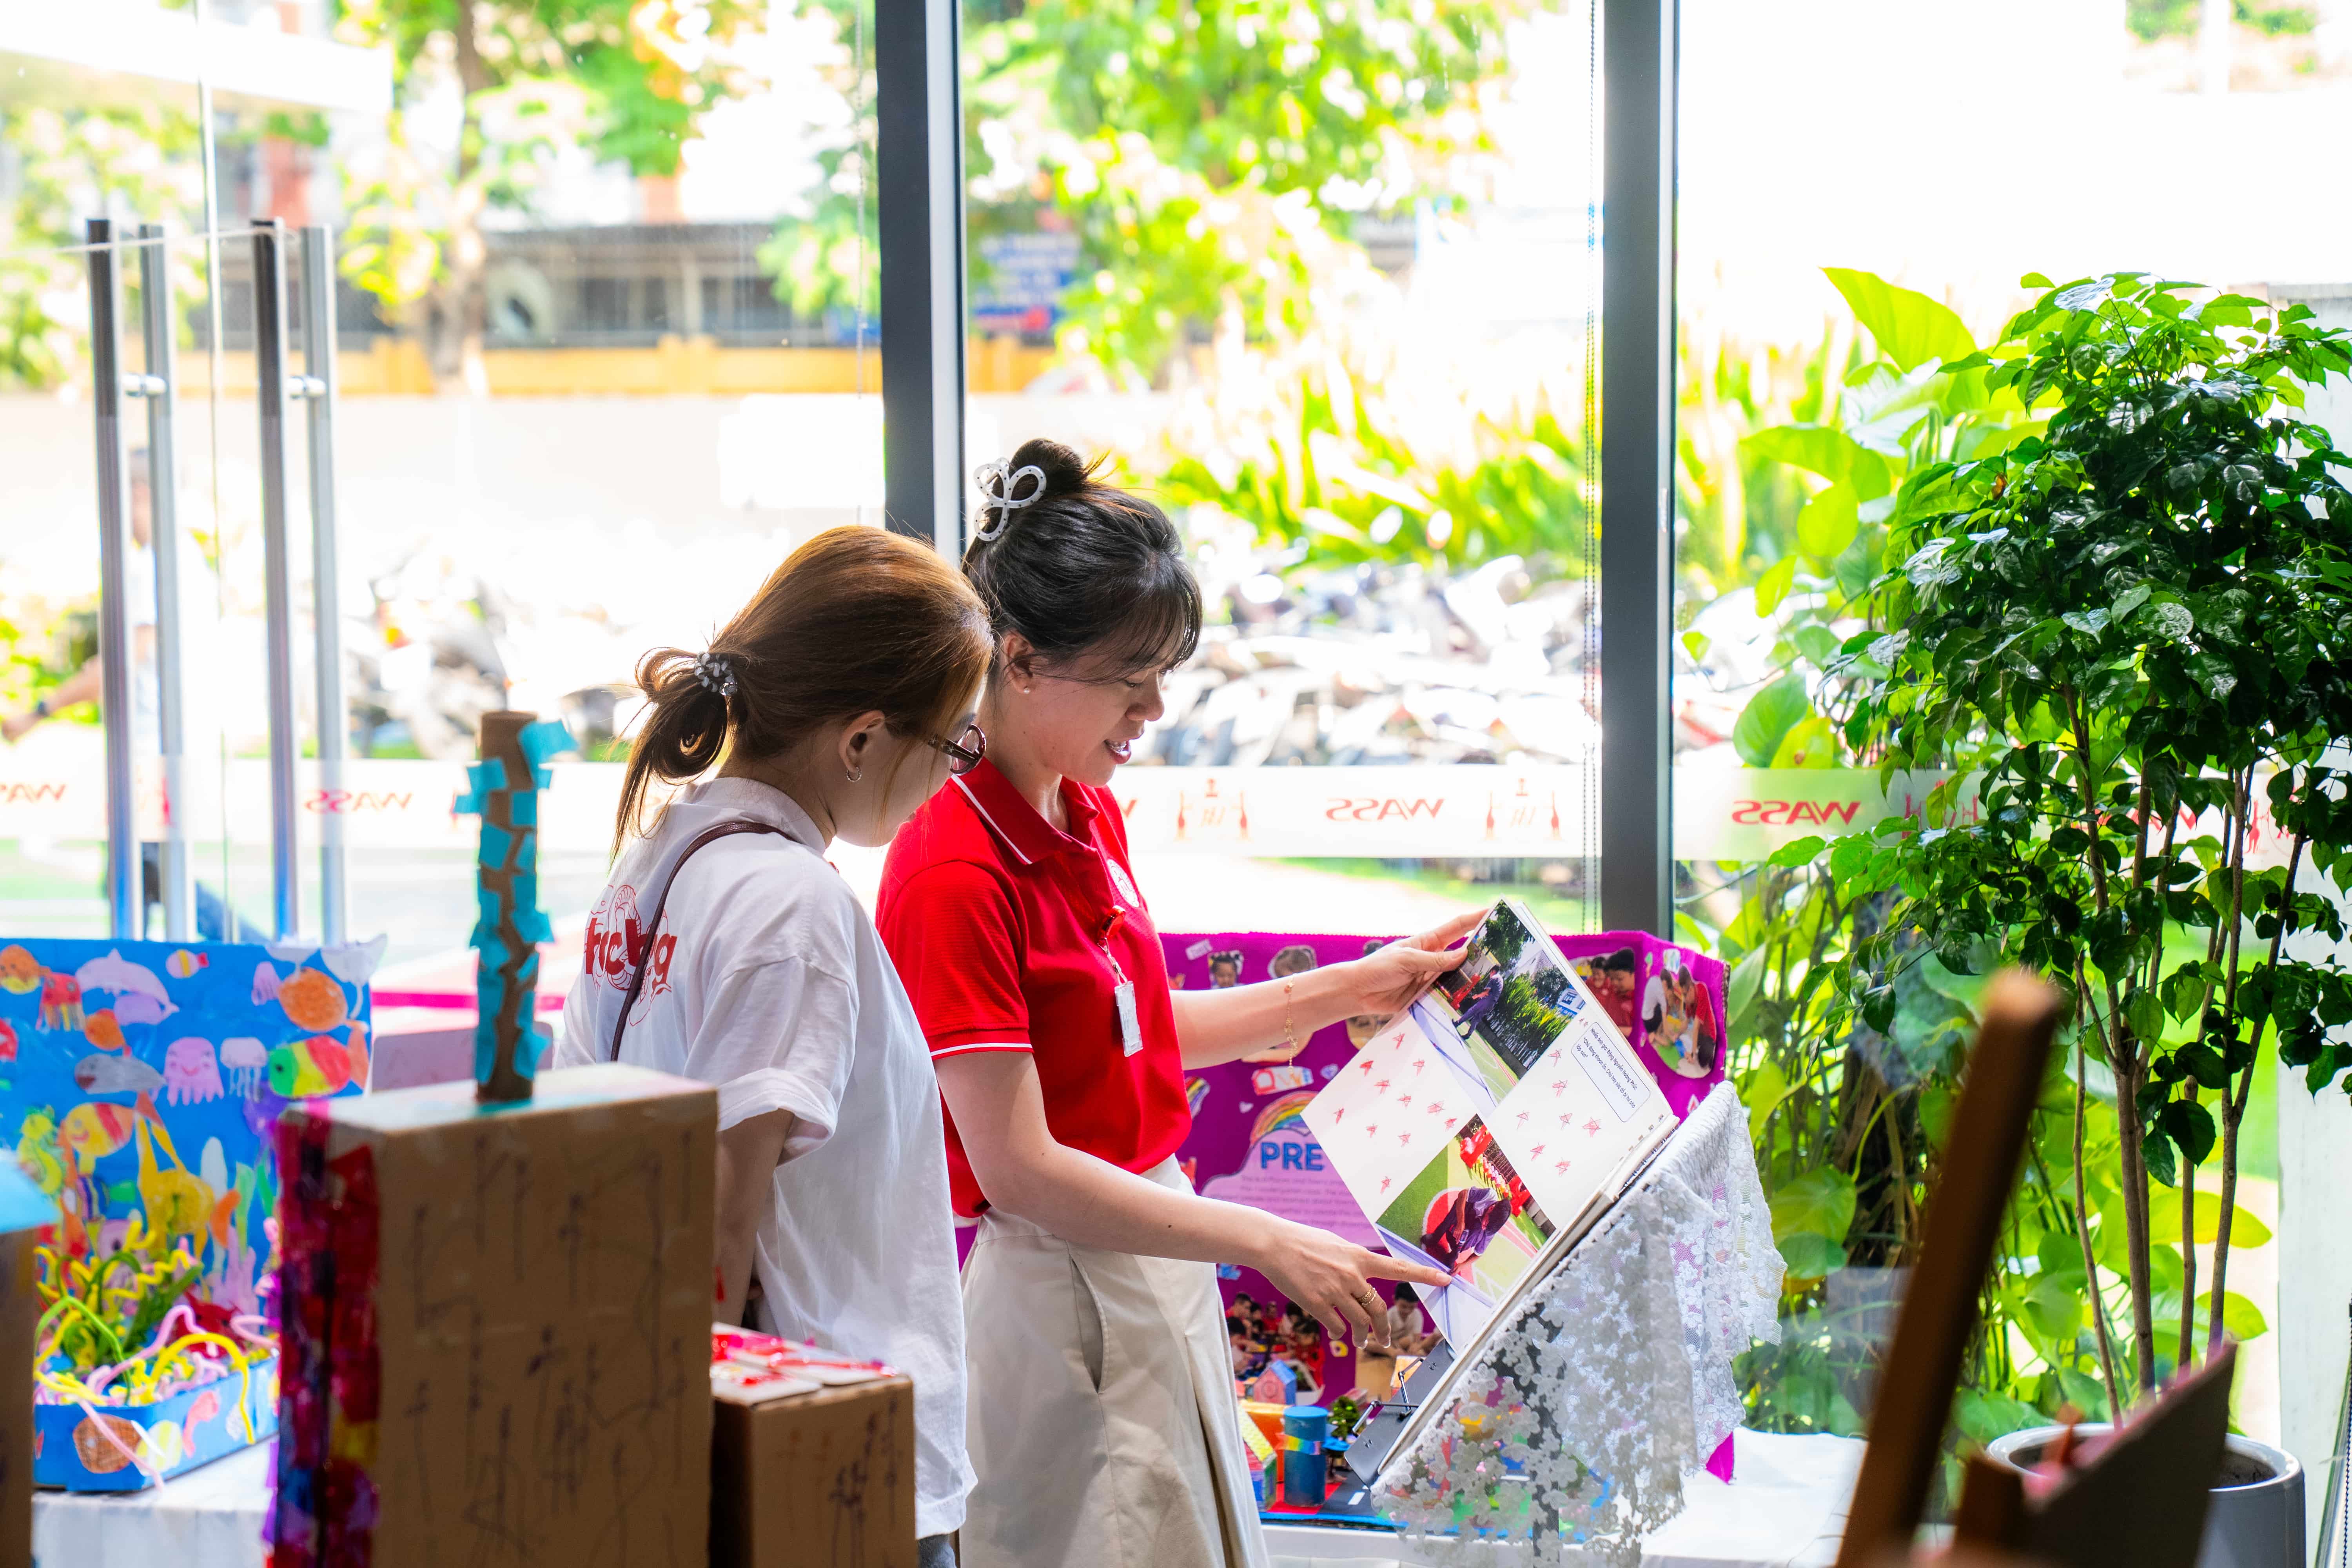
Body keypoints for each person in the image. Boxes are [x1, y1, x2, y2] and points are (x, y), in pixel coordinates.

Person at [877, 438, 1475, 1568]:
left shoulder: (1082, 806)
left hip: (1156, 1256)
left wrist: (1357, 984)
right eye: (1132, 675)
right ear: (1021, 659)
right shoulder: (952, 865)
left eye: (1164, 672)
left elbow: (1145, 1030)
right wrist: (1264, 1238)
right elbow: (1021, 1167)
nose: (1156, 706)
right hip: (1066, 1295)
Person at [554, 526, 994, 1568]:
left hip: (712, 1425)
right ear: (863, 740)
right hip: (811, 1454)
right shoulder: (791, 906)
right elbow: (721, 1209)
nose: (950, 779)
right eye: (953, 745)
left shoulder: (664, 857)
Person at [1, 450, 258, 942]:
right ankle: (148, 967)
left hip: (154, 749)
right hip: (164, 744)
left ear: (138, 493)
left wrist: (38, 712)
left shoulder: (158, 565)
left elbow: (124, 661)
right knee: (140, 878)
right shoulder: (180, 559)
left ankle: (257, 952)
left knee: (148, 876)